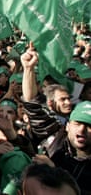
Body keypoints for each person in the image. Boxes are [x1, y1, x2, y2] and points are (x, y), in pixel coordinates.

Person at [21, 47, 91, 193]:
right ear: (67, 126)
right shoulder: (55, 140)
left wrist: (55, 173)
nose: (82, 130)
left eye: (89, 126)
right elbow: (32, 103)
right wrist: (28, 69)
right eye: (77, 123)